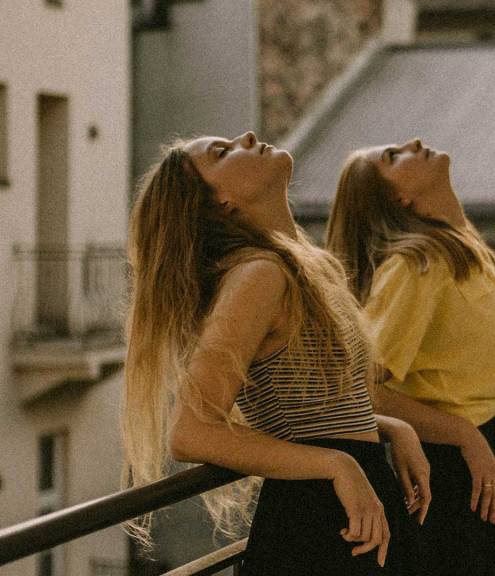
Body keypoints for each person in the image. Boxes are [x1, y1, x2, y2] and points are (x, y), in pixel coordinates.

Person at [121, 132, 429, 576]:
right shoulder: (258, 276)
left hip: (347, 506)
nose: (247, 137)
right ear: (221, 205)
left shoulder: (296, 267)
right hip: (318, 522)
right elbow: (190, 433)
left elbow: (315, 411)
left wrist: (392, 428)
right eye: (222, 153)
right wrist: (338, 463)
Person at [326, 138, 495, 576]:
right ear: (398, 199)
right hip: (451, 468)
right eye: (393, 157)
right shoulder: (416, 266)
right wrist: (467, 436)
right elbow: (361, 390)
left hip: (485, 453)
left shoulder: (459, 251)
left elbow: (463, 363)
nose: (414, 143)